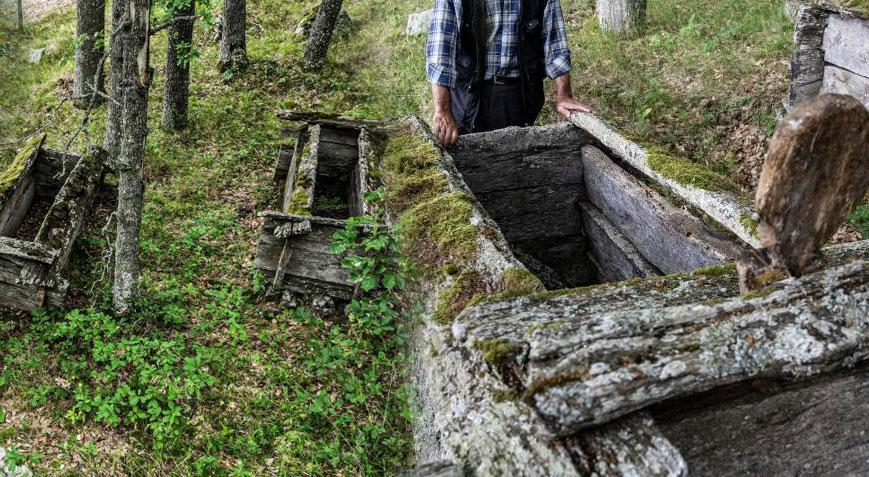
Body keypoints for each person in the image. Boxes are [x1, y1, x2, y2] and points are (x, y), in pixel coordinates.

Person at [426, 0, 594, 146]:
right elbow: (441, 49)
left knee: (515, 157)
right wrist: (442, 109)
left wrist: (564, 95)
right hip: (469, 95)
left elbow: (556, 44)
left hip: (519, 94)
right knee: (469, 160)